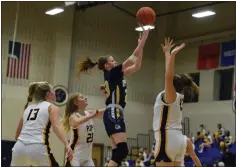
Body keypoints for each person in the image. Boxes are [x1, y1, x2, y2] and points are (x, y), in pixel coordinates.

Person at [76, 29, 150, 167]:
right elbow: (132, 58)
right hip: (113, 113)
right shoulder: (114, 73)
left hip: (116, 113)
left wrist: (141, 48)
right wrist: (143, 41)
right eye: (112, 60)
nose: (115, 61)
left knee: (118, 152)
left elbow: (137, 65)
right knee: (122, 150)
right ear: (106, 66)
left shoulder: (115, 75)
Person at [153, 38, 199, 167]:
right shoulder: (176, 96)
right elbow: (168, 74)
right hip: (178, 140)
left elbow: (168, 75)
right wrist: (167, 53)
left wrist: (172, 55)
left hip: (167, 139)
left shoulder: (170, 95)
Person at [11, 82, 73, 166]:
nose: (55, 92)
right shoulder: (51, 107)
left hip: (19, 148)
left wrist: (25, 146)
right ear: (48, 94)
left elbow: (17, 134)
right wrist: (67, 144)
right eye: (53, 90)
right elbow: (56, 127)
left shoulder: (28, 108)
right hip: (38, 147)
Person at [62, 93, 105, 166]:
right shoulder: (73, 116)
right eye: (82, 97)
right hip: (74, 157)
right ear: (76, 102)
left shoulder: (88, 113)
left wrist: (114, 104)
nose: (85, 98)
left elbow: (104, 112)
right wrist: (92, 115)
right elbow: (78, 121)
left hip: (87, 158)